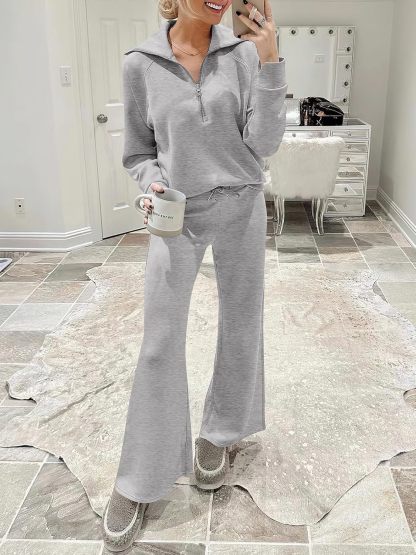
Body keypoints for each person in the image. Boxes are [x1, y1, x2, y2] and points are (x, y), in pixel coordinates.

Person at [102, 0, 287, 550]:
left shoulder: (243, 55)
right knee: (159, 341)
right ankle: (140, 477)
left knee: (241, 324)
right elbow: (138, 151)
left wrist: (270, 59)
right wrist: (151, 181)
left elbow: (265, 144)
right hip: (176, 212)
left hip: (242, 203)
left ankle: (222, 432)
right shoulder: (140, 64)